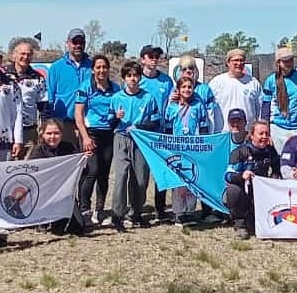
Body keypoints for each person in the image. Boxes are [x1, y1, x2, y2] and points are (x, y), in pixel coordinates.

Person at [110, 60, 163, 230]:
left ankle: (136, 213)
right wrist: (115, 117)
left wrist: (141, 125)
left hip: (141, 139)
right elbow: (109, 121)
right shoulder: (117, 98)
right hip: (122, 138)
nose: (133, 79)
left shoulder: (148, 97)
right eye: (129, 76)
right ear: (124, 78)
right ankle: (117, 215)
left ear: (140, 78)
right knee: (121, 176)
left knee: (140, 179)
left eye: (135, 76)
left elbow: (155, 120)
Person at [74, 54, 121, 225]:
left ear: (108, 69)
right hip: (90, 132)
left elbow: (120, 109)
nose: (101, 70)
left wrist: (118, 116)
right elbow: (78, 113)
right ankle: (84, 208)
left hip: (108, 133)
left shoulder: (116, 89)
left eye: (104, 67)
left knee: (104, 173)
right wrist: (84, 136)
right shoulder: (85, 87)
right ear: (93, 70)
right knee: (91, 170)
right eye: (98, 67)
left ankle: (99, 210)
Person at [224, 120, 282, 239]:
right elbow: (228, 176)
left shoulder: (270, 151)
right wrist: (241, 176)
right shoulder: (240, 152)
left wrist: (275, 176)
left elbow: (277, 169)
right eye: (261, 134)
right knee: (233, 190)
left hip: (262, 193)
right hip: (244, 192)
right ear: (252, 135)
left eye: (267, 134)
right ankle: (239, 224)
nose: (264, 137)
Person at [164, 75, 210, 225]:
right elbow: (168, 127)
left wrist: (202, 144)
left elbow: (203, 126)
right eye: (183, 87)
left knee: (192, 178)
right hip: (177, 147)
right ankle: (179, 212)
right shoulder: (172, 106)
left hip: (193, 146)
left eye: (189, 87)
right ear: (178, 89)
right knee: (179, 181)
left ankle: (190, 211)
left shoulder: (198, 105)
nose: (187, 90)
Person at [47, 28, 93, 148]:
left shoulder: (92, 66)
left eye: (81, 42)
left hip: (88, 122)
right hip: (64, 122)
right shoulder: (56, 67)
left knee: (88, 160)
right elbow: (50, 97)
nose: (78, 45)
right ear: (68, 43)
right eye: (74, 42)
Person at [3, 39, 48, 159]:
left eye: (29, 54)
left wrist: (43, 128)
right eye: (22, 54)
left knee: (28, 166)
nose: (25, 57)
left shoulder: (38, 78)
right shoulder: (2, 74)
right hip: (6, 129)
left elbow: (43, 106)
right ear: (14, 55)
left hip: (29, 130)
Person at [261, 47, 297, 149]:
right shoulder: (270, 80)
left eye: (291, 60)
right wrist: (266, 131)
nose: (289, 63)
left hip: (296, 126)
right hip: (277, 127)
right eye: (285, 61)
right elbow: (265, 107)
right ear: (279, 62)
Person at [208, 49, 261, 132]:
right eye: (235, 60)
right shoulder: (216, 82)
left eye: (241, 60)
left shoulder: (253, 82)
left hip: (247, 134)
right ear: (228, 63)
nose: (239, 63)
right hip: (223, 133)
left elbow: (260, 109)